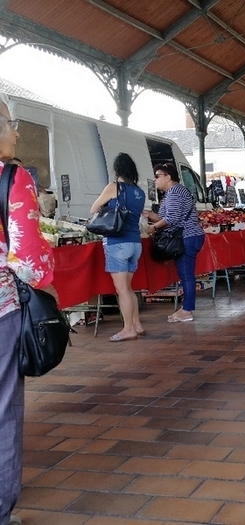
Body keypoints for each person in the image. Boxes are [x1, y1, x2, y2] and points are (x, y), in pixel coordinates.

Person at [0, 93, 57, 525]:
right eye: (10, 121)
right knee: (3, 409)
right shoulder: (12, 177)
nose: (16, 131)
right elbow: (30, 261)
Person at [90, 153, 146, 341]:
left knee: (122, 290)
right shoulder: (139, 192)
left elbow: (93, 208)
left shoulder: (114, 187)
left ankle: (128, 329)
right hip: (135, 243)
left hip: (117, 243)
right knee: (129, 289)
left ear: (117, 170)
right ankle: (137, 325)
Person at [143, 162, 205, 322]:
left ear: (168, 177)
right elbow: (168, 217)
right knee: (185, 274)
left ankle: (187, 310)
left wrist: (154, 228)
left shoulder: (175, 193)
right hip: (188, 236)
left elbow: (171, 219)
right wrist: (150, 215)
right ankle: (186, 308)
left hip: (186, 237)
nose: (155, 180)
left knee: (186, 275)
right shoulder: (173, 193)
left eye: (158, 176)